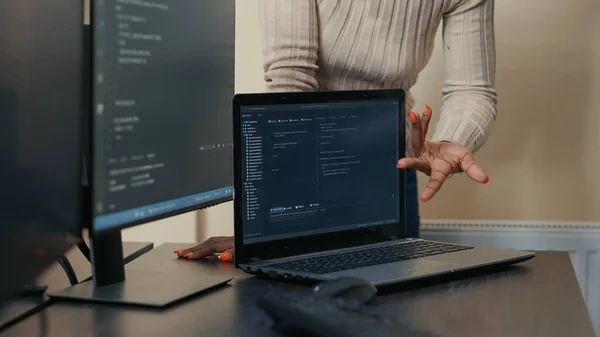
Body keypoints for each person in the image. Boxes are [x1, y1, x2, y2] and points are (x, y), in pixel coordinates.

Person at [175, 0, 495, 260]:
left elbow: (472, 89)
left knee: (394, 308)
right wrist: (271, 222)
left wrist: (453, 139)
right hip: (310, 159)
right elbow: (292, 77)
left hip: (389, 167)